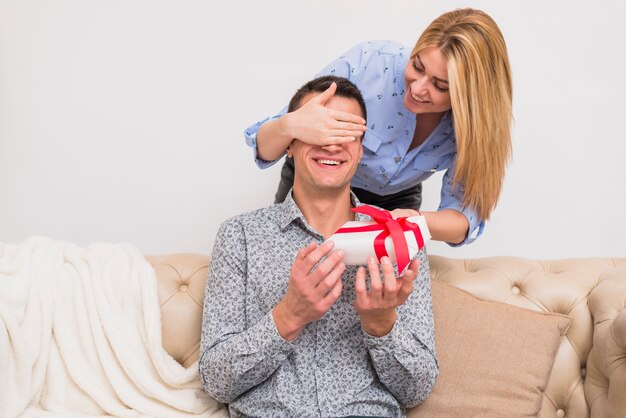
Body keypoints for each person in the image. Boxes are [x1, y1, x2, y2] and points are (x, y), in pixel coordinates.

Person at [200, 76, 438, 417]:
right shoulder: (240, 236)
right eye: (319, 131)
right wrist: (289, 315)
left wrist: (380, 322)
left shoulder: (400, 237)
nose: (332, 145)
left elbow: (417, 389)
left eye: (346, 133)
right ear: (290, 144)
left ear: (360, 149)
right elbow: (216, 381)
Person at [244, 8, 513, 247]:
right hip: (318, 180)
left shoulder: (475, 131)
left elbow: (462, 222)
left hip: (397, 203)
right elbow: (264, 149)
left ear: (470, 98)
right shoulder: (370, 63)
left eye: (440, 86)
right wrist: (290, 125)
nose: (418, 88)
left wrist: (412, 222)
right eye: (417, 66)